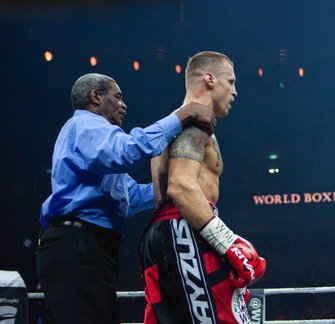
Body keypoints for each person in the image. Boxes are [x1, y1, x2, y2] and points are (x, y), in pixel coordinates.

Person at [36, 72, 216, 324]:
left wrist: (182, 184)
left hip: (90, 247)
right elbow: (128, 149)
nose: (124, 105)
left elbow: (130, 196)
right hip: (77, 243)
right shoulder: (86, 125)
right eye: (118, 97)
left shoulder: (96, 145)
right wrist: (181, 116)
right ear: (96, 97)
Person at [139, 51, 266, 324]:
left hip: (168, 233)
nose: (235, 91)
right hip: (183, 230)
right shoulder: (195, 123)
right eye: (230, 82)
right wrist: (228, 243)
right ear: (209, 79)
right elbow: (181, 185)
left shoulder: (171, 123)